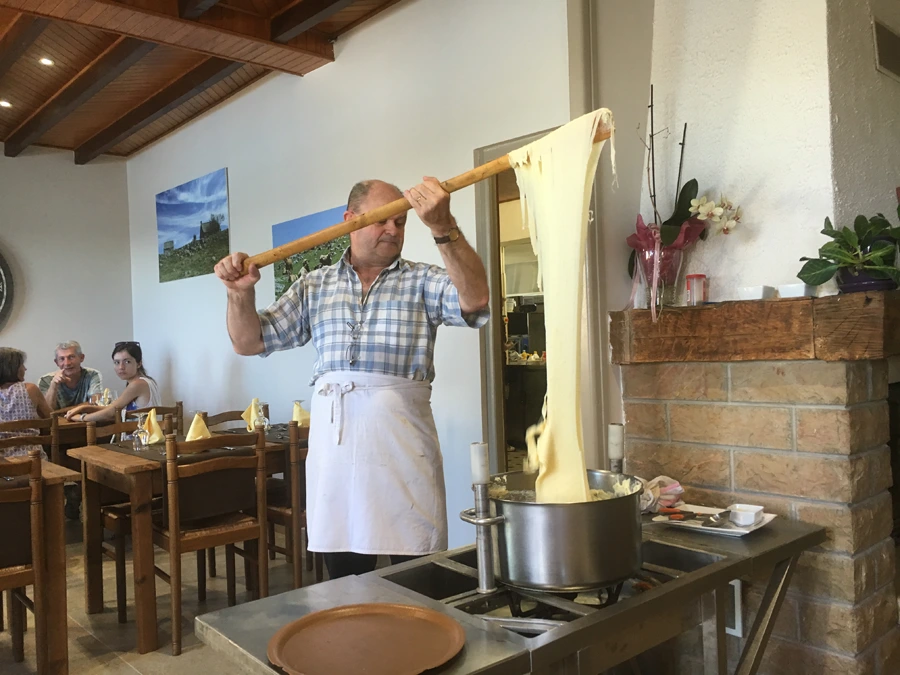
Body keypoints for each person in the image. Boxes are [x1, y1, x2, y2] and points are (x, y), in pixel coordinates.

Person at [215, 177, 490, 580]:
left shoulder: (423, 280)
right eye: (382, 220)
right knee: (345, 580)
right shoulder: (314, 285)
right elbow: (248, 341)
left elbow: (476, 299)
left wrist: (443, 226)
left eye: (401, 221)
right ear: (350, 220)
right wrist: (239, 294)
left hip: (403, 452)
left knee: (418, 576)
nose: (393, 230)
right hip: (336, 459)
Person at [65, 342, 161, 424]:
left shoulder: (137, 384)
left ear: (139, 363)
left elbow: (111, 412)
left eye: (127, 362)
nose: (121, 367)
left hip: (143, 438)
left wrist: (81, 418)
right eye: (117, 362)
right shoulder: (147, 381)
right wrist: (84, 408)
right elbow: (113, 408)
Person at [0, 348, 52, 458]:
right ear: (12, 368)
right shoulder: (30, 389)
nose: (25, 368)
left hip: (3, 463)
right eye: (21, 365)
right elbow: (50, 418)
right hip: (34, 460)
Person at [39, 340, 103, 410]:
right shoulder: (45, 380)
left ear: (81, 358)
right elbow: (46, 411)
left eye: (71, 357)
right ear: (56, 362)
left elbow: (95, 403)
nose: (67, 363)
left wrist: (63, 411)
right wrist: (53, 385)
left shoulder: (92, 375)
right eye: (62, 359)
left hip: (85, 417)